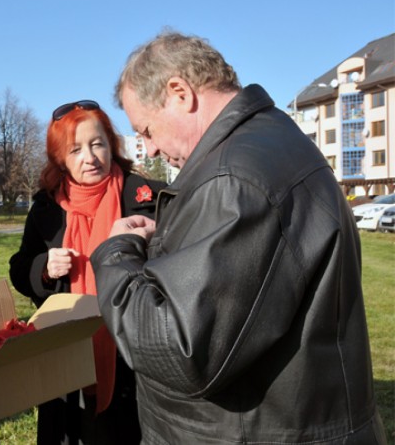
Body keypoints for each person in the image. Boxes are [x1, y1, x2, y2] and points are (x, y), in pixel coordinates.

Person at [91, 31, 386, 444]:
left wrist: (115, 253)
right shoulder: (263, 145)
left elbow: (180, 352)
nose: (150, 150)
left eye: (147, 130)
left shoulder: (235, 178)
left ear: (180, 92)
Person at [9, 101, 164, 444]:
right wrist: (44, 269)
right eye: (75, 149)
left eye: (97, 144)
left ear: (111, 145)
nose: (90, 157)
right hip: (66, 356)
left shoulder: (146, 198)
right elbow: (19, 270)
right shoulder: (46, 206)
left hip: (133, 360)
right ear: (60, 158)